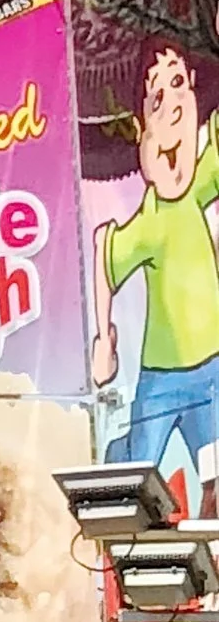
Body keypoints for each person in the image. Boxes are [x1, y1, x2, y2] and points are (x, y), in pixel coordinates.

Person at [93, 41, 219, 482]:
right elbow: (105, 252)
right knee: (136, 472)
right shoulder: (147, 223)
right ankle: (116, 453)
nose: (172, 110)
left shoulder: (203, 180)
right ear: (140, 125)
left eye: (178, 85)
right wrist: (104, 341)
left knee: (215, 477)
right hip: (161, 379)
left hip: (213, 372)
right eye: (157, 98)